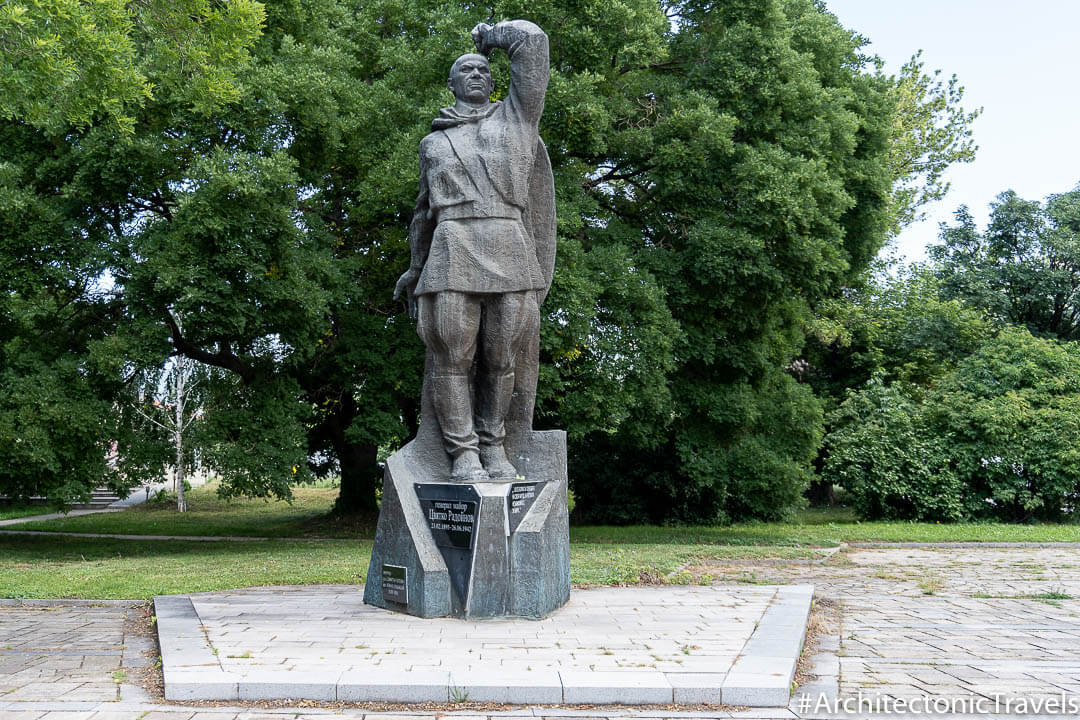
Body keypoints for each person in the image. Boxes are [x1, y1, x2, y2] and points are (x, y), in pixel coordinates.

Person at [394, 20, 554, 482]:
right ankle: (462, 453)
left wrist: (493, 36)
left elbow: (534, 43)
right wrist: (415, 266)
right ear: (452, 83)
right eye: (467, 68)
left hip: (509, 245)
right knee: (453, 356)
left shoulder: (518, 120)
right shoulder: (434, 142)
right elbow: (423, 213)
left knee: (503, 356)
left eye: (485, 69)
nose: (478, 73)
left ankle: (494, 445)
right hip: (451, 247)